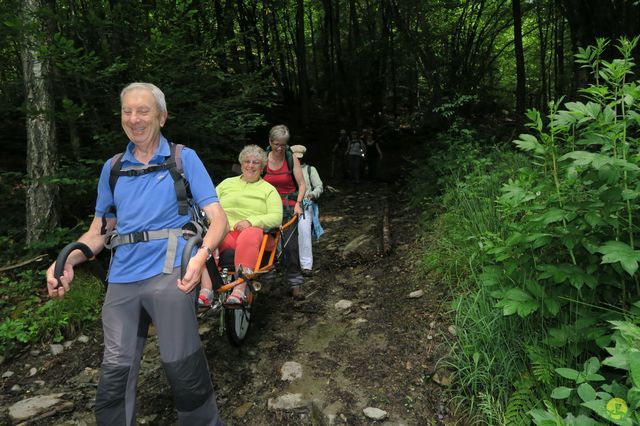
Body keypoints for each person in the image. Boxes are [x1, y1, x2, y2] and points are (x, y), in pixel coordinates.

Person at [45, 82, 228, 426]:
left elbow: (219, 219)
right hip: (122, 279)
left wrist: (200, 256)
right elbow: (98, 231)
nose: (134, 118)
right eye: (127, 111)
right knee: (115, 370)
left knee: (181, 364)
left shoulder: (182, 159)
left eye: (143, 111)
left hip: (172, 271)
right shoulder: (112, 168)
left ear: (162, 117)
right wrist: (66, 260)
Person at [198, 145, 282, 306]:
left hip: (258, 237)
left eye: (256, 162)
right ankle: (206, 290)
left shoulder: (268, 190)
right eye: (247, 161)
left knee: (249, 233)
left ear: (262, 167)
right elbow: (209, 204)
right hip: (226, 233)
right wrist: (213, 220)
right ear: (241, 164)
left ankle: (239, 290)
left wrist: (251, 222)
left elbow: (276, 217)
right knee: (207, 237)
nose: (251, 165)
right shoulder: (226, 184)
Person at [263, 124, 307, 300]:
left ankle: (295, 283)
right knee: (266, 244)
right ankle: (266, 279)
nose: (279, 148)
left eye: (283, 144)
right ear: (270, 142)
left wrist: (298, 203)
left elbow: (302, 184)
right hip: (267, 208)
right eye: (276, 144)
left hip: (288, 206)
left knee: (290, 246)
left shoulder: (291, 159)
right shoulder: (263, 159)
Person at [290, 145, 323, 277]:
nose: (297, 160)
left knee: (304, 233)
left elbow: (319, 186)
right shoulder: (287, 170)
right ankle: (287, 263)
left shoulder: (310, 169)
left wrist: (313, 195)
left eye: (299, 158)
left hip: (305, 205)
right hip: (288, 205)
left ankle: (306, 265)